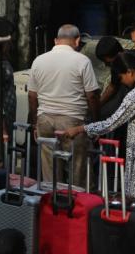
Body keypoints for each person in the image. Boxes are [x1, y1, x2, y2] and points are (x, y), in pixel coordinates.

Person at [63, 51, 135, 202]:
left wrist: (81, 128)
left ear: (129, 72)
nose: (122, 82)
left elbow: (111, 122)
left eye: (121, 78)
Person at [28, 24, 100, 185]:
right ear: (77, 40)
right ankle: (76, 204)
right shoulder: (82, 61)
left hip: (44, 120)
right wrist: (96, 123)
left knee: (50, 169)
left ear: (55, 40)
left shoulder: (39, 60)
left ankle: (52, 203)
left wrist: (34, 124)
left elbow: (32, 96)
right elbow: (92, 95)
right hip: (72, 121)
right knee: (78, 168)